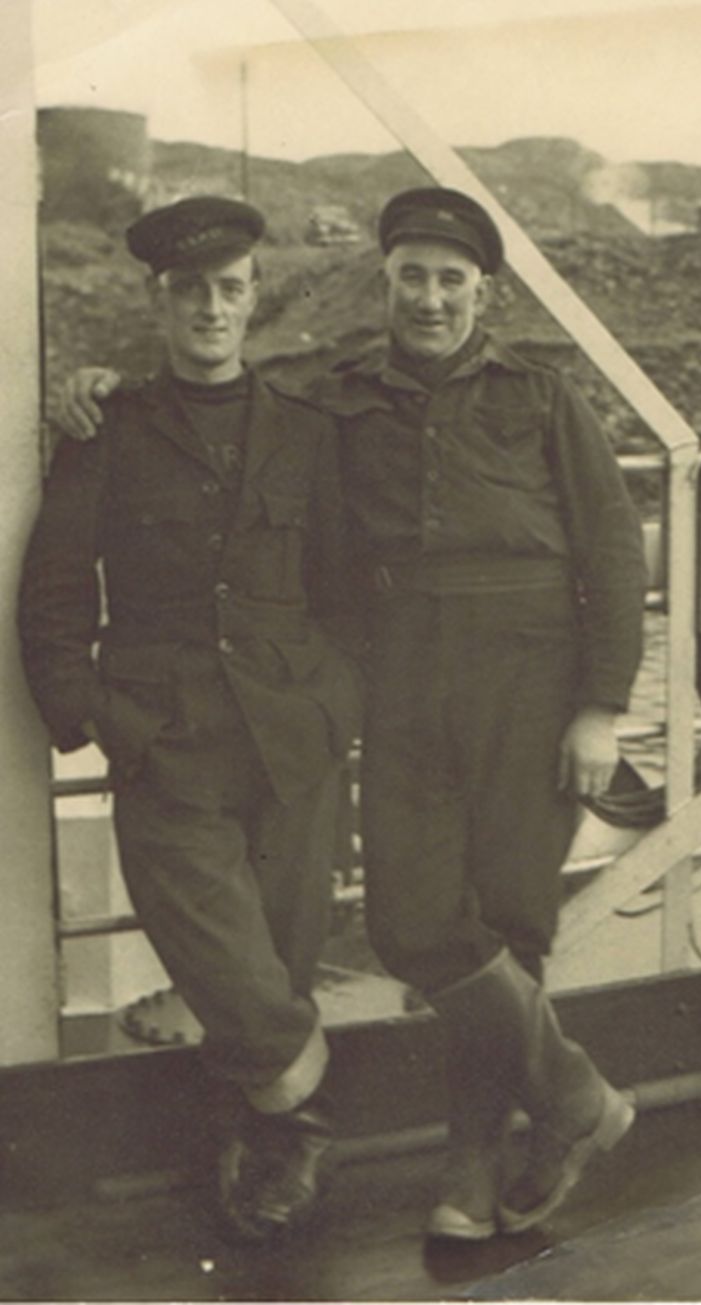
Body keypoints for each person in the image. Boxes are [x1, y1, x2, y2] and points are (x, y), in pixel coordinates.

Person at [55, 186, 648, 1243]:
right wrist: (85, 388)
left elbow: (610, 556)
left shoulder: (544, 398)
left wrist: (600, 708)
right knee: (413, 925)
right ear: (382, 283)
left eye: (449, 280)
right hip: (407, 694)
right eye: (410, 276)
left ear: (482, 291)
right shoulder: (334, 402)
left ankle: (474, 1167)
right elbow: (262, 482)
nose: (428, 298)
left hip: (528, 693)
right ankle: (574, 1099)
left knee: (505, 931)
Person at [19, 195, 363, 1244]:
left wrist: (334, 706)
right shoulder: (106, 428)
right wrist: (96, 720)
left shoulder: (308, 429)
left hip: (293, 738)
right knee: (224, 953)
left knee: (281, 952)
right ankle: (297, 1100)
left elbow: (346, 591)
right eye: (188, 292)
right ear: (156, 301)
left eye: (228, 289)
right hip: (167, 741)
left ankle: (256, 1148)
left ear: (255, 297)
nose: (210, 309)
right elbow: (56, 593)